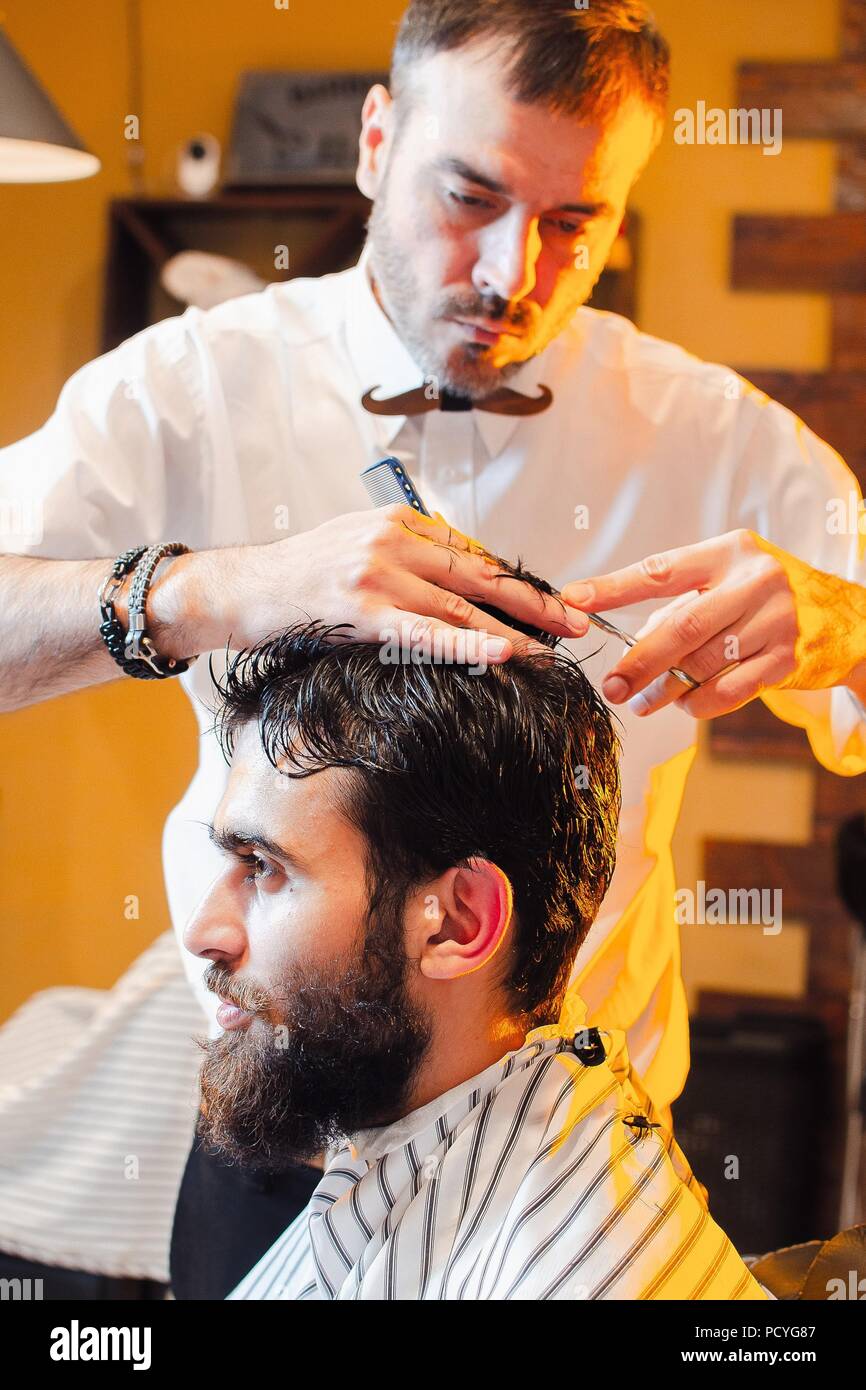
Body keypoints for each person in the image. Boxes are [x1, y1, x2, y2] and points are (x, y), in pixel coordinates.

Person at [0, 0, 863, 1296]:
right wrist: (213, 589)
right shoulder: (181, 390)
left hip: (562, 1162)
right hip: (279, 1104)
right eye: (469, 194)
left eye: (577, 222)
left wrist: (844, 626)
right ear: (373, 140)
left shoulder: (721, 442)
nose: (514, 271)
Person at [185, 602, 766, 1301]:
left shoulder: (574, 1269)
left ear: (459, 922)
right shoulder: (427, 1127)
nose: (203, 931)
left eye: (264, 865)